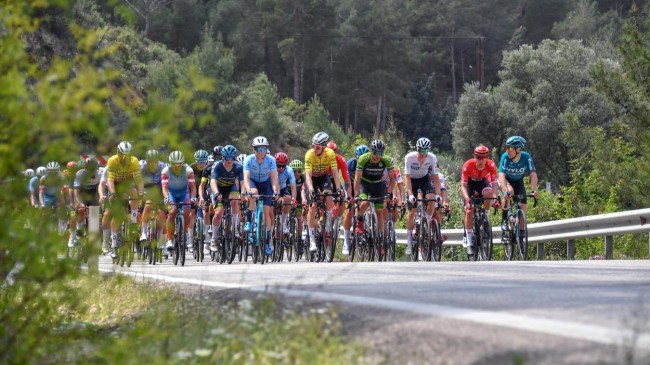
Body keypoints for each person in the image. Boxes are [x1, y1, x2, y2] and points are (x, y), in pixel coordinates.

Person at [242, 136, 282, 256]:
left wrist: (276, 191)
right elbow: (246, 178)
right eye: (258, 149)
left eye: (263, 149)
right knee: (253, 193)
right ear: (254, 149)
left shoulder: (271, 160)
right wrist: (248, 190)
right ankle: (249, 221)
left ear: (266, 150)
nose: (261, 152)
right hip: (253, 182)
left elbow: (274, 178)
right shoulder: (248, 159)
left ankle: (266, 242)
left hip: (265, 183)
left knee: (267, 211)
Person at [105, 141, 145, 258]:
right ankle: (113, 245)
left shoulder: (134, 161)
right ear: (118, 152)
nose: (124, 158)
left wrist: (141, 192)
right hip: (115, 185)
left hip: (127, 183)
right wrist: (112, 193)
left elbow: (138, 179)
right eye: (122, 155)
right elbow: (110, 180)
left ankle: (133, 220)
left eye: (127, 155)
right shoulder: (112, 160)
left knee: (134, 193)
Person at [304, 132, 341, 252]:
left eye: (318, 147)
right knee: (313, 205)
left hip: (324, 177)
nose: (315, 149)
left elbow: (335, 173)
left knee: (328, 195)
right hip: (312, 180)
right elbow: (308, 176)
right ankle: (312, 240)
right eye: (313, 145)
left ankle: (328, 221)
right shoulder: (309, 154)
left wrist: (339, 189)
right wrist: (310, 190)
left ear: (324, 147)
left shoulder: (330, 153)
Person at [403, 137, 442, 255]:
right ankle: (409, 241)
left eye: (425, 151)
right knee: (413, 211)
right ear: (417, 148)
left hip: (424, 180)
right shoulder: (409, 158)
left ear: (428, 150)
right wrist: (410, 195)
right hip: (412, 181)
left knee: (431, 200)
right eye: (421, 150)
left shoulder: (432, 158)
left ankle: (426, 223)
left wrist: (438, 195)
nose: (423, 153)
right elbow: (407, 178)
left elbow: (435, 178)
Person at [460, 145, 499, 255]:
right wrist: (467, 199)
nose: (481, 160)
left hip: (482, 182)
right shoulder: (468, 165)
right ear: (474, 157)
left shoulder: (491, 164)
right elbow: (463, 186)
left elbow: (494, 184)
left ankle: (485, 215)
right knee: (469, 210)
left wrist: (495, 198)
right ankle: (469, 242)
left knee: (489, 194)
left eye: (484, 157)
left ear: (487, 157)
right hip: (470, 185)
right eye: (478, 157)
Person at [353, 139, 395, 239]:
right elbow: (357, 178)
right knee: (364, 203)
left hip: (378, 184)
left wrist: (388, 193)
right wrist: (356, 195)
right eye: (376, 152)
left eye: (380, 153)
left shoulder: (386, 160)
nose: (378, 156)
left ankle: (380, 240)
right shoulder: (363, 159)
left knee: (379, 212)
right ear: (371, 151)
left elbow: (392, 179)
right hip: (365, 184)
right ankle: (359, 220)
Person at [498, 136, 538, 230]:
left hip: (518, 182)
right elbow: (501, 175)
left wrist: (533, 190)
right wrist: (504, 192)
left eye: (510, 148)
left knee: (523, 205)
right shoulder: (505, 157)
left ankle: (520, 234)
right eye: (507, 147)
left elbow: (533, 174)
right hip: (506, 181)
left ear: (518, 149)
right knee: (510, 192)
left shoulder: (526, 157)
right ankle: (504, 219)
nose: (507, 150)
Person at [210, 145, 244, 252]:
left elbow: (242, 183)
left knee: (235, 200)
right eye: (227, 158)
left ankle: (234, 229)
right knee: (219, 213)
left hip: (231, 188)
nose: (229, 161)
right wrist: (216, 193)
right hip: (218, 189)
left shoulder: (238, 166)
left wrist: (243, 193)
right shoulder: (218, 166)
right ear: (223, 157)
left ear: (235, 157)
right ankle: (214, 239)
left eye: (232, 158)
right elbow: (213, 181)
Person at [162, 151, 197, 252]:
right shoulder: (165, 171)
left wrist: (193, 197)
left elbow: (193, 187)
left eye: (179, 164)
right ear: (170, 163)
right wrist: (166, 197)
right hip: (171, 194)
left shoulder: (188, 170)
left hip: (183, 194)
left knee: (187, 213)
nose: (177, 167)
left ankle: (184, 233)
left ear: (182, 163)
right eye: (174, 164)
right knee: (172, 212)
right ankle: (169, 240)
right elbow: (164, 188)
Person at [341, 145, 368, 255]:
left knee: (365, 203)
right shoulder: (350, 164)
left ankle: (361, 221)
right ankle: (346, 242)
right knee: (349, 211)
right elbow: (347, 182)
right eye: (359, 157)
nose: (361, 160)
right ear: (355, 157)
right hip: (350, 185)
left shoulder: (368, 165)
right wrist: (349, 197)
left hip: (362, 185)